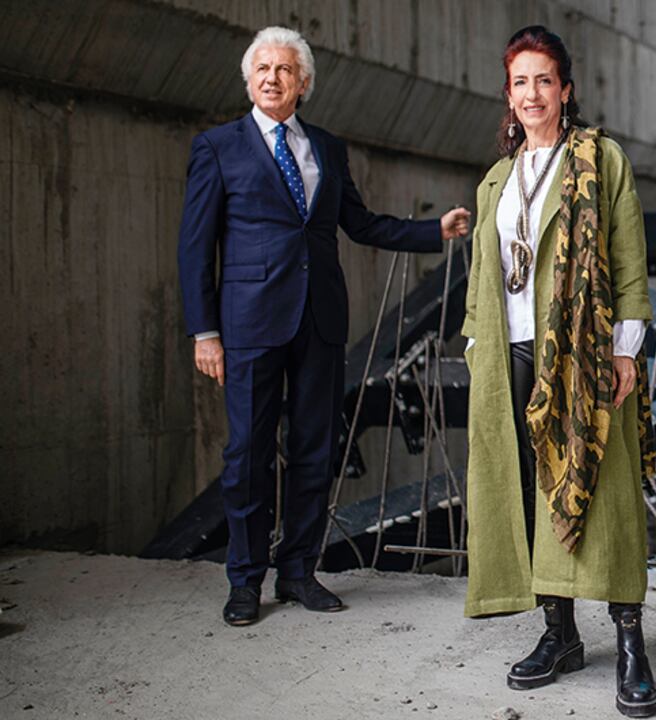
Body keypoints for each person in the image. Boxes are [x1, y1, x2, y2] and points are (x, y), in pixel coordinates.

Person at [177, 26, 471, 627]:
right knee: (248, 457)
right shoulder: (218, 147)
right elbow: (194, 247)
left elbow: (360, 225)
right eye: (261, 68)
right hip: (249, 325)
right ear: (247, 78)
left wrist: (430, 231)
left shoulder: (327, 148)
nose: (271, 78)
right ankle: (244, 581)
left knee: (316, 452)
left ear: (303, 83)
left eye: (284, 70)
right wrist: (204, 332)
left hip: (319, 321)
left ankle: (298, 573)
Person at [460, 25, 656, 718]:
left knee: (603, 493)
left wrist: (626, 347)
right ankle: (560, 634)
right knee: (530, 491)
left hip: (581, 354)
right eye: (520, 82)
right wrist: (474, 346)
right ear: (508, 94)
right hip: (509, 353)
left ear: (566, 90)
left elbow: (630, 260)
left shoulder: (601, 161)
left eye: (544, 79)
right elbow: (482, 275)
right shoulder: (496, 180)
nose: (532, 93)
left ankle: (631, 644)